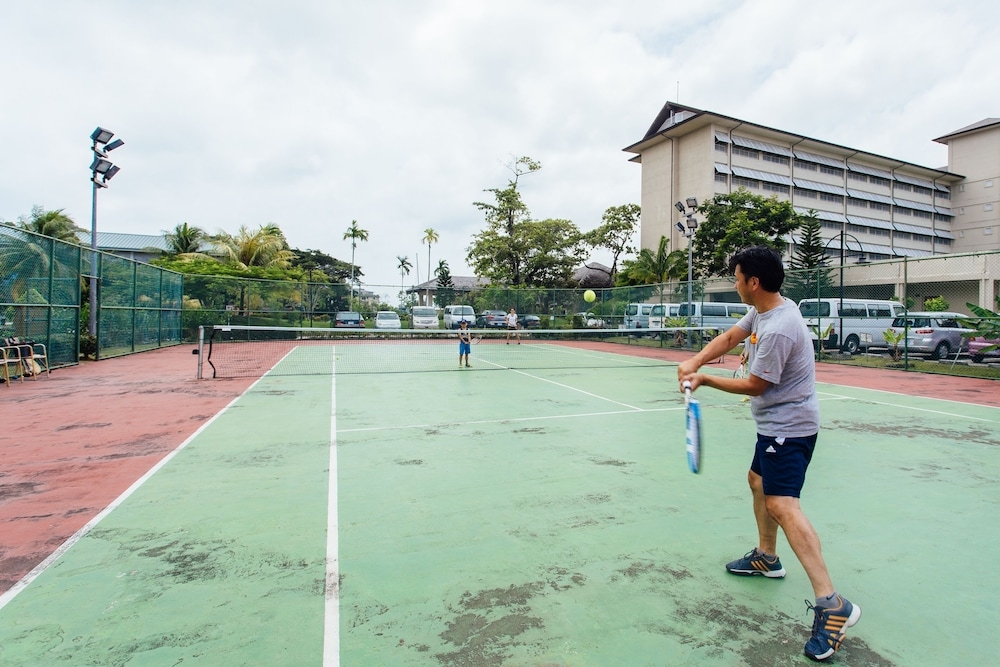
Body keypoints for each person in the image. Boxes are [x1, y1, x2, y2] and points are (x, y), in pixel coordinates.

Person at [676, 246, 860, 662]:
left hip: (789, 429)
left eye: (737, 278)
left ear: (753, 283)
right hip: (776, 426)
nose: (735, 283)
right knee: (757, 481)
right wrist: (694, 359)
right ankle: (767, 557)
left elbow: (757, 385)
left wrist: (704, 378)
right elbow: (731, 337)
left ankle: (832, 604)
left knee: (783, 505)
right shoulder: (766, 310)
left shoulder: (779, 326)